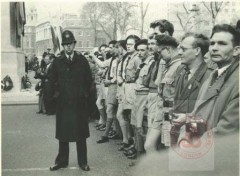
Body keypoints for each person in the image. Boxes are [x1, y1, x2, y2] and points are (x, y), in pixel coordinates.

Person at [173, 24, 239, 143]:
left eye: (222, 43)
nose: (214, 48)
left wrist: (193, 146)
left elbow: (226, 129)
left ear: (236, 50)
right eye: (212, 43)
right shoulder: (213, 76)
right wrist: (187, 136)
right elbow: (198, 115)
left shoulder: (236, 81)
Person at [49, 30, 92, 172]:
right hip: (64, 104)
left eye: (70, 44)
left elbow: (88, 80)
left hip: (79, 104)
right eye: (65, 44)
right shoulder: (57, 61)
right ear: (63, 46)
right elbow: (52, 80)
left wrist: (84, 94)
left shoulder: (82, 60)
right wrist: (56, 95)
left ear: (74, 44)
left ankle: (83, 162)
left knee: (80, 135)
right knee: (63, 134)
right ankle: (61, 161)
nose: (68, 47)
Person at [170, 33, 213, 146]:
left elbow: (208, 112)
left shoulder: (210, 76)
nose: (179, 53)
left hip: (194, 132)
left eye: (183, 49)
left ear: (197, 51)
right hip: (177, 129)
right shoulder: (181, 70)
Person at [144, 35, 182, 152]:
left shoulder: (179, 66)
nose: (159, 56)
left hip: (172, 113)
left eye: (160, 52)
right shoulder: (168, 65)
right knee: (149, 145)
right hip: (162, 111)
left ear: (168, 49)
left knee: (170, 149)